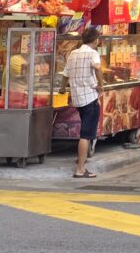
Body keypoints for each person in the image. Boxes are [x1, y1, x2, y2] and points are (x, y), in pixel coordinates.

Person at [59, 27, 102, 178]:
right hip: (90, 98)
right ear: (96, 41)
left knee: (86, 130)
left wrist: (63, 89)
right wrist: (101, 84)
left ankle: (81, 158)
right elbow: (97, 68)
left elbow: (65, 74)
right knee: (86, 134)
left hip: (78, 99)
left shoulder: (73, 54)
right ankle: (80, 169)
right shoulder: (93, 53)